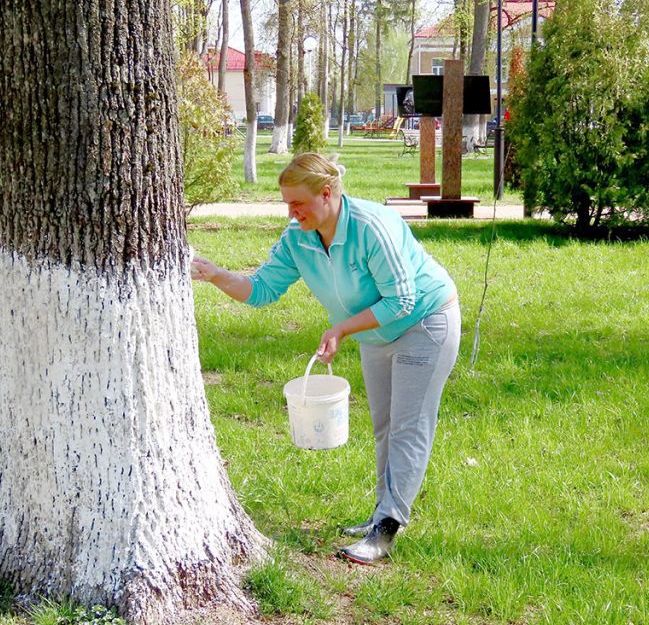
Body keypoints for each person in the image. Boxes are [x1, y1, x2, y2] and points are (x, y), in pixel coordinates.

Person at [191, 153, 461, 564]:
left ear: (328, 193)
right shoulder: (299, 237)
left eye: (298, 202)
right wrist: (215, 274)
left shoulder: (372, 227)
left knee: (409, 425)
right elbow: (262, 289)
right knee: (385, 425)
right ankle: (381, 513)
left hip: (425, 322)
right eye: (287, 204)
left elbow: (403, 300)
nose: (291, 211)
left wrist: (340, 328)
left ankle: (386, 530)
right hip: (375, 330)